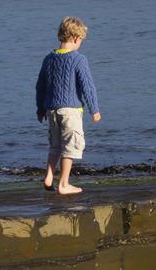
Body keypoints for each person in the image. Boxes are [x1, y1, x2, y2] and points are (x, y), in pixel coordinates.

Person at [35, 17, 101, 195]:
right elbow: (87, 85)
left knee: (55, 145)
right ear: (75, 38)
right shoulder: (78, 59)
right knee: (71, 146)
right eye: (81, 40)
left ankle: (49, 176)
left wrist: (40, 108)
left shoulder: (49, 59)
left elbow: (40, 85)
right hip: (70, 110)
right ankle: (64, 183)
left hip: (52, 110)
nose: (81, 44)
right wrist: (94, 109)